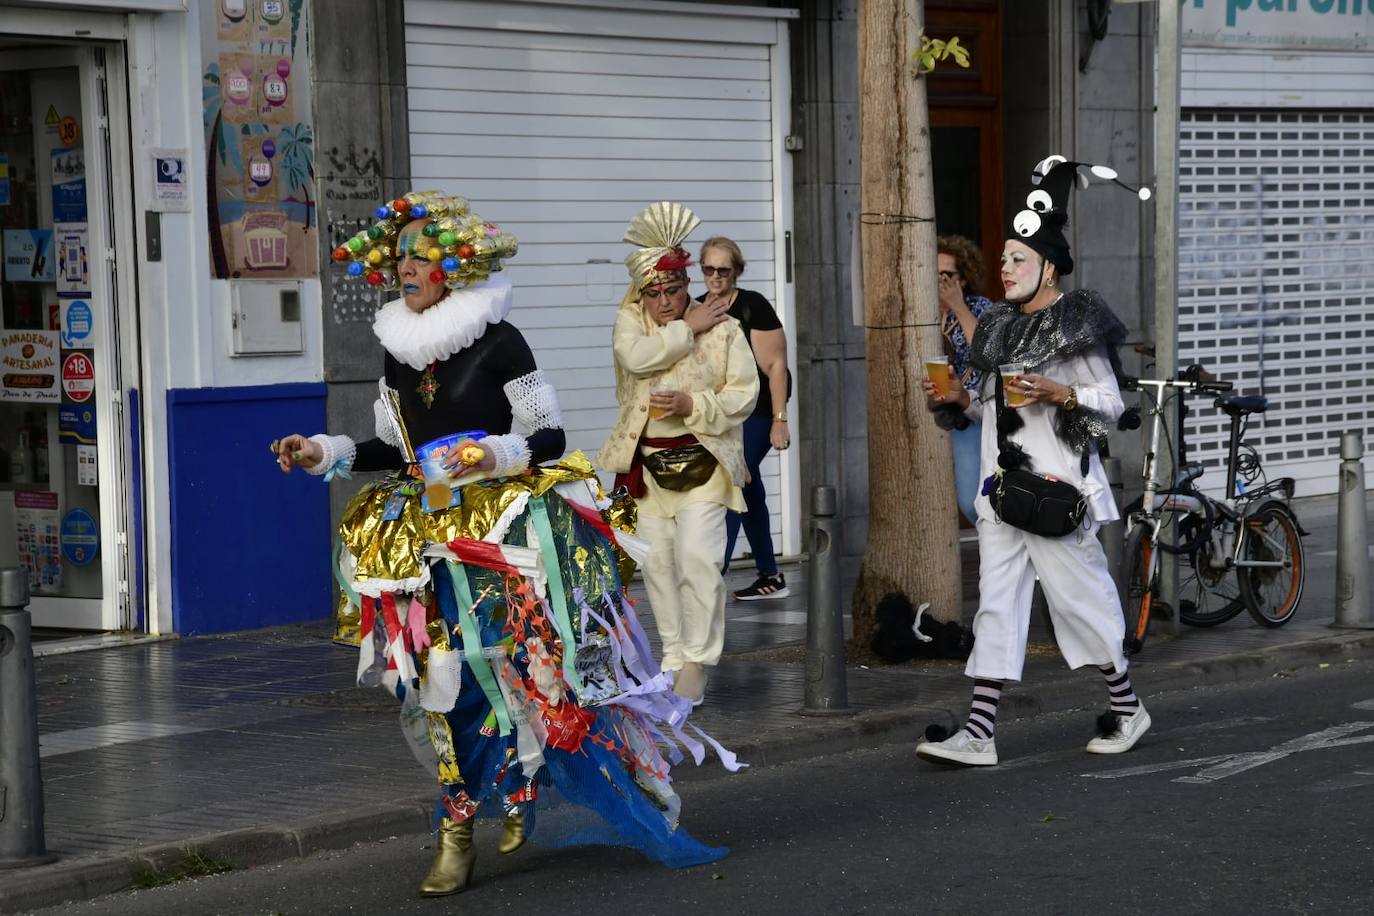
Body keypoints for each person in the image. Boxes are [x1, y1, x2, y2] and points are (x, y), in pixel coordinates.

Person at [274, 192, 734, 897]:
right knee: (436, 679)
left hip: (501, 535)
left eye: (420, 256)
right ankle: (458, 828)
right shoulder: (398, 349)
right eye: (399, 257)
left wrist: (490, 454)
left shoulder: (499, 339)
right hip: (425, 536)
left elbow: (547, 435)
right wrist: (323, 451)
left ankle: (520, 787)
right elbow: (397, 449)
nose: (406, 268)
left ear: (455, 265)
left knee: (522, 673)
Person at [917, 157, 1151, 767]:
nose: (1005, 268)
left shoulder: (1075, 320)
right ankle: (979, 732)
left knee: (1081, 602)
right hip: (1001, 494)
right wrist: (960, 399)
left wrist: (1060, 392)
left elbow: (1110, 405)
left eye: (1017, 259)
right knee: (996, 606)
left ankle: (1128, 709)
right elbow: (992, 412)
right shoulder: (997, 325)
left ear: (1048, 267)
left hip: (1056, 495)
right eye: (1003, 259)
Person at [599, 203, 759, 707]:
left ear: (686, 284)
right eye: (654, 293)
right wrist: (685, 328)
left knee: (698, 560)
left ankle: (698, 661)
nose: (665, 301)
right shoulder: (632, 324)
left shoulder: (725, 329)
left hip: (704, 461)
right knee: (659, 564)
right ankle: (671, 655)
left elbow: (745, 395)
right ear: (640, 294)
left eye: (672, 290)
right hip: (648, 468)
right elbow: (635, 359)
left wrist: (695, 405)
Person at [696, 236, 792, 600]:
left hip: (759, 409)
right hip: (722, 411)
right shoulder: (698, 308)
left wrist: (779, 420)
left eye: (723, 269)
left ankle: (714, 570)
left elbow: (776, 366)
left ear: (736, 270)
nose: (716, 276)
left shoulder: (753, 305)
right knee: (749, 486)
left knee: (733, 476)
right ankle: (770, 575)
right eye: (709, 269)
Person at [936, 234, 993, 524]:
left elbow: (987, 354)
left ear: (964, 278)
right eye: (934, 274)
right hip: (936, 411)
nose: (940, 282)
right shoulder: (923, 312)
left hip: (972, 413)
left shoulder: (980, 307)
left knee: (972, 501)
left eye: (947, 275)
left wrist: (958, 306)